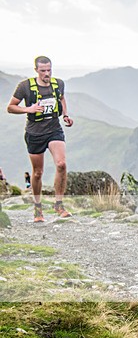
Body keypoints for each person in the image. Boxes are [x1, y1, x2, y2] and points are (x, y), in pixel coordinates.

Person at [7, 56, 74, 222]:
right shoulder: (25, 86)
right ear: (36, 70)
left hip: (54, 129)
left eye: (49, 70)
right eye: (43, 70)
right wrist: (29, 109)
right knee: (37, 173)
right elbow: (11, 107)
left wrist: (65, 115)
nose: (47, 74)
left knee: (61, 164)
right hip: (34, 133)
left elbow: (61, 98)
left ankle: (59, 204)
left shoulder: (58, 84)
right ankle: (38, 208)